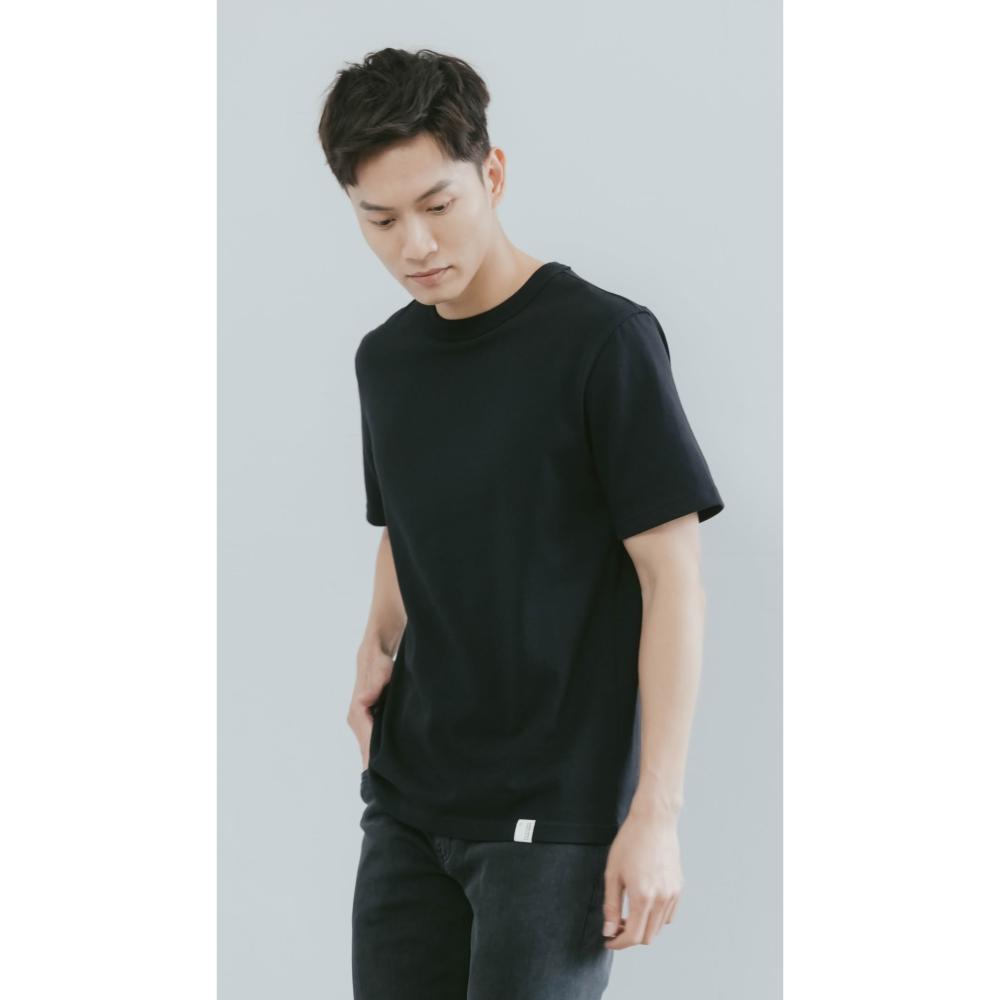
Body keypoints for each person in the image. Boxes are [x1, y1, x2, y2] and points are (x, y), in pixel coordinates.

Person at [317, 47, 725, 1000]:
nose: (415, 245)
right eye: (381, 219)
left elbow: (672, 581)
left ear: (492, 173)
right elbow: (405, 525)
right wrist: (374, 648)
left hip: (553, 816)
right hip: (408, 808)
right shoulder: (386, 361)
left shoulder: (602, 342)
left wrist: (656, 813)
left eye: (438, 204)